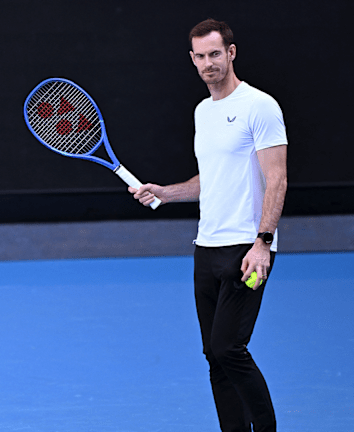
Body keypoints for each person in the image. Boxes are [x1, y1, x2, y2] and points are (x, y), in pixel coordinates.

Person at [129, 18, 287, 432]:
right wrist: (166, 193)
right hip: (206, 247)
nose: (207, 63)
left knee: (229, 347)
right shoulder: (203, 112)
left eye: (215, 54)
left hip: (246, 248)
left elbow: (277, 179)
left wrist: (263, 242)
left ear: (231, 53)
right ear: (192, 59)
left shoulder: (260, 106)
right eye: (200, 56)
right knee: (214, 356)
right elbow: (212, 179)